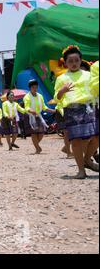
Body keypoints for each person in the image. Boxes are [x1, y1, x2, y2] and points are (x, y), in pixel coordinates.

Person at [55, 45, 98, 179]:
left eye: (76, 60)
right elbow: (57, 97)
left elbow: (96, 89)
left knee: (97, 137)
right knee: (76, 141)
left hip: (90, 107)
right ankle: (81, 170)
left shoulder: (89, 74)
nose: (74, 63)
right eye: (70, 61)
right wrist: (62, 91)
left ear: (80, 60)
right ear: (65, 62)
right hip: (72, 110)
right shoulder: (61, 78)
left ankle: (87, 160)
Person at [24, 80, 56, 154]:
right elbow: (27, 107)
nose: (35, 88)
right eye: (33, 87)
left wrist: (53, 110)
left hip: (39, 116)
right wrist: (32, 111)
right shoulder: (27, 97)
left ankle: (36, 145)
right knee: (34, 133)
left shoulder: (40, 96)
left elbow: (44, 107)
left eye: (36, 87)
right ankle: (37, 148)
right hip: (30, 116)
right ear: (30, 88)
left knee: (42, 132)